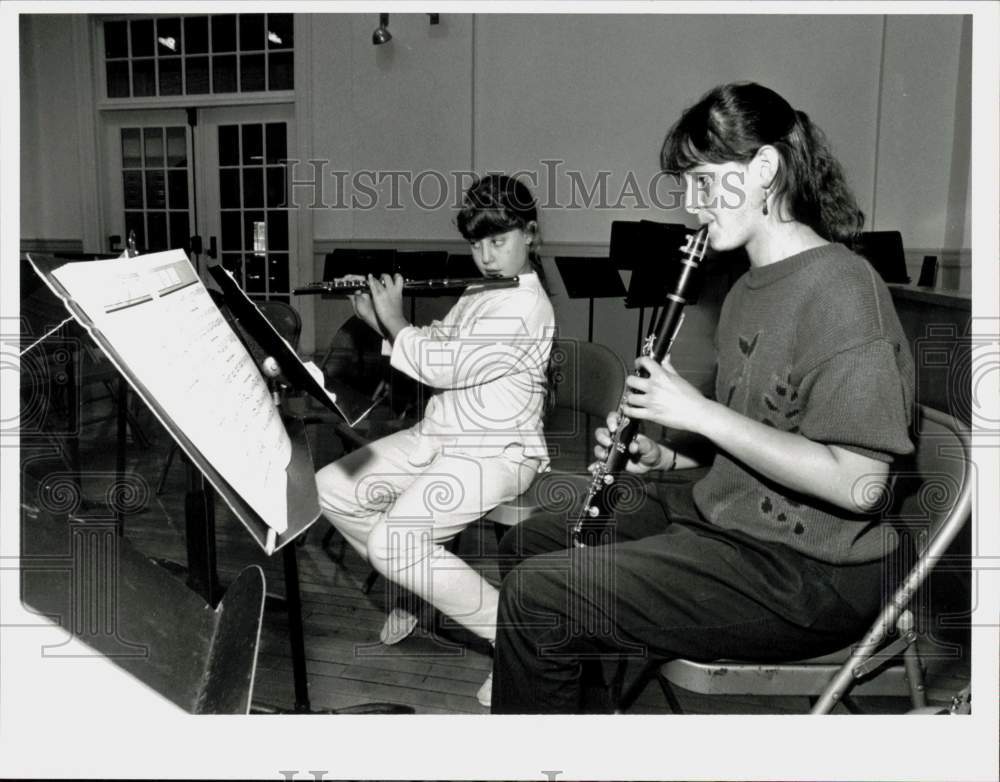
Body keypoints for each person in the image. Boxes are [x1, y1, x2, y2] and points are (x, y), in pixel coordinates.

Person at [489, 82, 915, 713]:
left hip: (812, 572)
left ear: (765, 170)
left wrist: (696, 412)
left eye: (705, 183)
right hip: (733, 520)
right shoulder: (746, 287)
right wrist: (669, 458)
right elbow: (763, 435)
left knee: (537, 595)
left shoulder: (843, 291)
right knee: (528, 543)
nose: (692, 207)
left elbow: (860, 486)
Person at [316, 175, 555, 696]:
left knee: (395, 541)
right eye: (477, 244)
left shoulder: (527, 305)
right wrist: (381, 325)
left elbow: (441, 364)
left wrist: (396, 318)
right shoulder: (483, 289)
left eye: (499, 241)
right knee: (331, 487)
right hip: (439, 434)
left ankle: (517, 640)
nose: (487, 256)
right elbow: (438, 341)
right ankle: (418, 580)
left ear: (530, 235)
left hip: (496, 451)